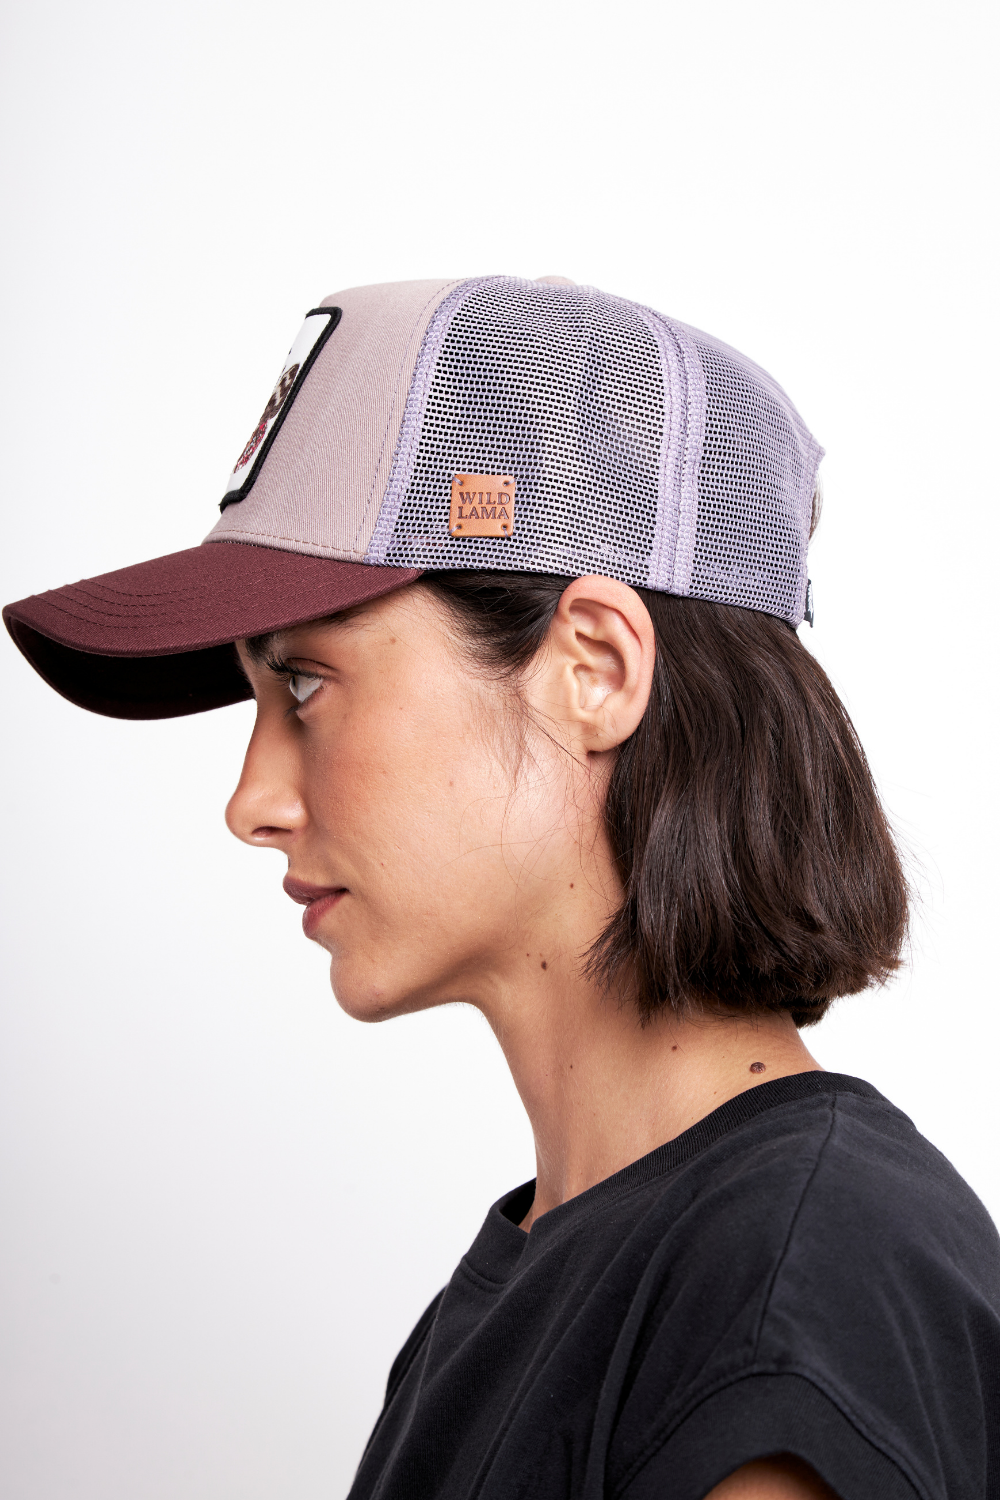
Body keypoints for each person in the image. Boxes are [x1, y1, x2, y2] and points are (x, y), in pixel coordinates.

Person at [5, 275, 999, 1500]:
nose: (250, 801)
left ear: (593, 669)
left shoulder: (786, 1292)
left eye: (304, 686)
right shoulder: (553, 1276)